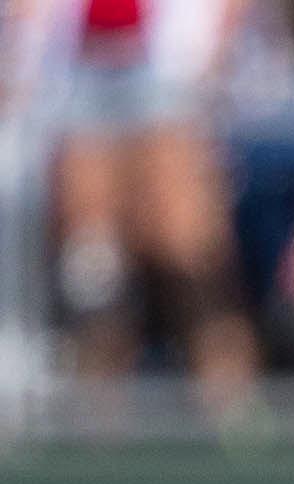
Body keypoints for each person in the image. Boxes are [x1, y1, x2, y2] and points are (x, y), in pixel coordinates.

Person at [4, 0, 264, 427]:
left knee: (191, 257)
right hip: (77, 71)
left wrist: (211, 50)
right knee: (95, 272)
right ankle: (97, 435)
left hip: (167, 69)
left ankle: (235, 418)